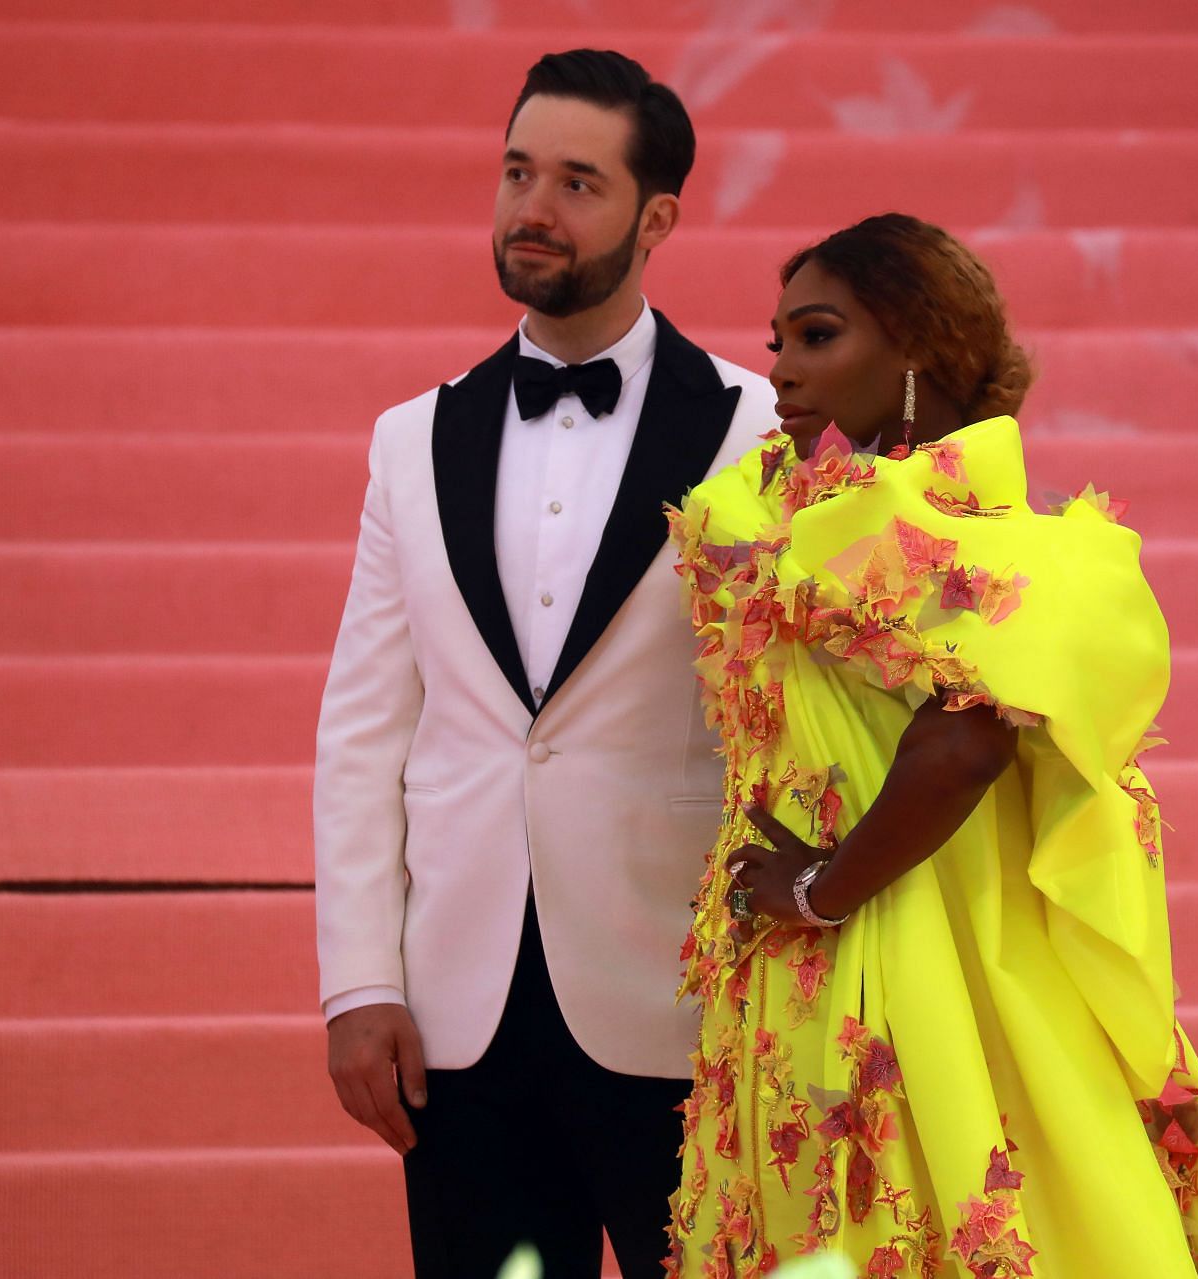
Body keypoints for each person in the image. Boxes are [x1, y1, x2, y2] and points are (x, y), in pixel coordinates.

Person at [663, 213, 1198, 1277]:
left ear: (917, 347)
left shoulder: (981, 550)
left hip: (904, 949)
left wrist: (818, 888)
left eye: (817, 336)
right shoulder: (810, 518)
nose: (781, 372)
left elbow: (963, 752)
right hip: (846, 952)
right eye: (776, 342)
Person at [313, 49, 775, 1278]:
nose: (534, 207)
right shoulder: (412, 439)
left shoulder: (757, 430)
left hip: (685, 1003)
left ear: (657, 215)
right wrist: (357, 979)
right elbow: (366, 727)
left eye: (579, 181)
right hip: (458, 1021)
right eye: (519, 171)